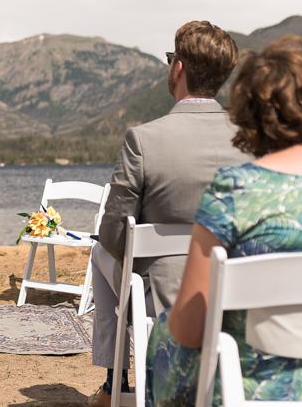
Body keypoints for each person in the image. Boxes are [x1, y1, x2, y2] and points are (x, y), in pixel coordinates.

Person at [147, 35, 302, 405]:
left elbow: (191, 328)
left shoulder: (236, 190)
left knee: (166, 332)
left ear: (248, 114)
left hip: (251, 392)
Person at [88, 21, 246, 407]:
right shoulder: (252, 138)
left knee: (99, 251)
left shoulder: (144, 139)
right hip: (237, 287)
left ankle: (116, 383)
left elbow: (114, 232)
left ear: (178, 69)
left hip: (163, 294)